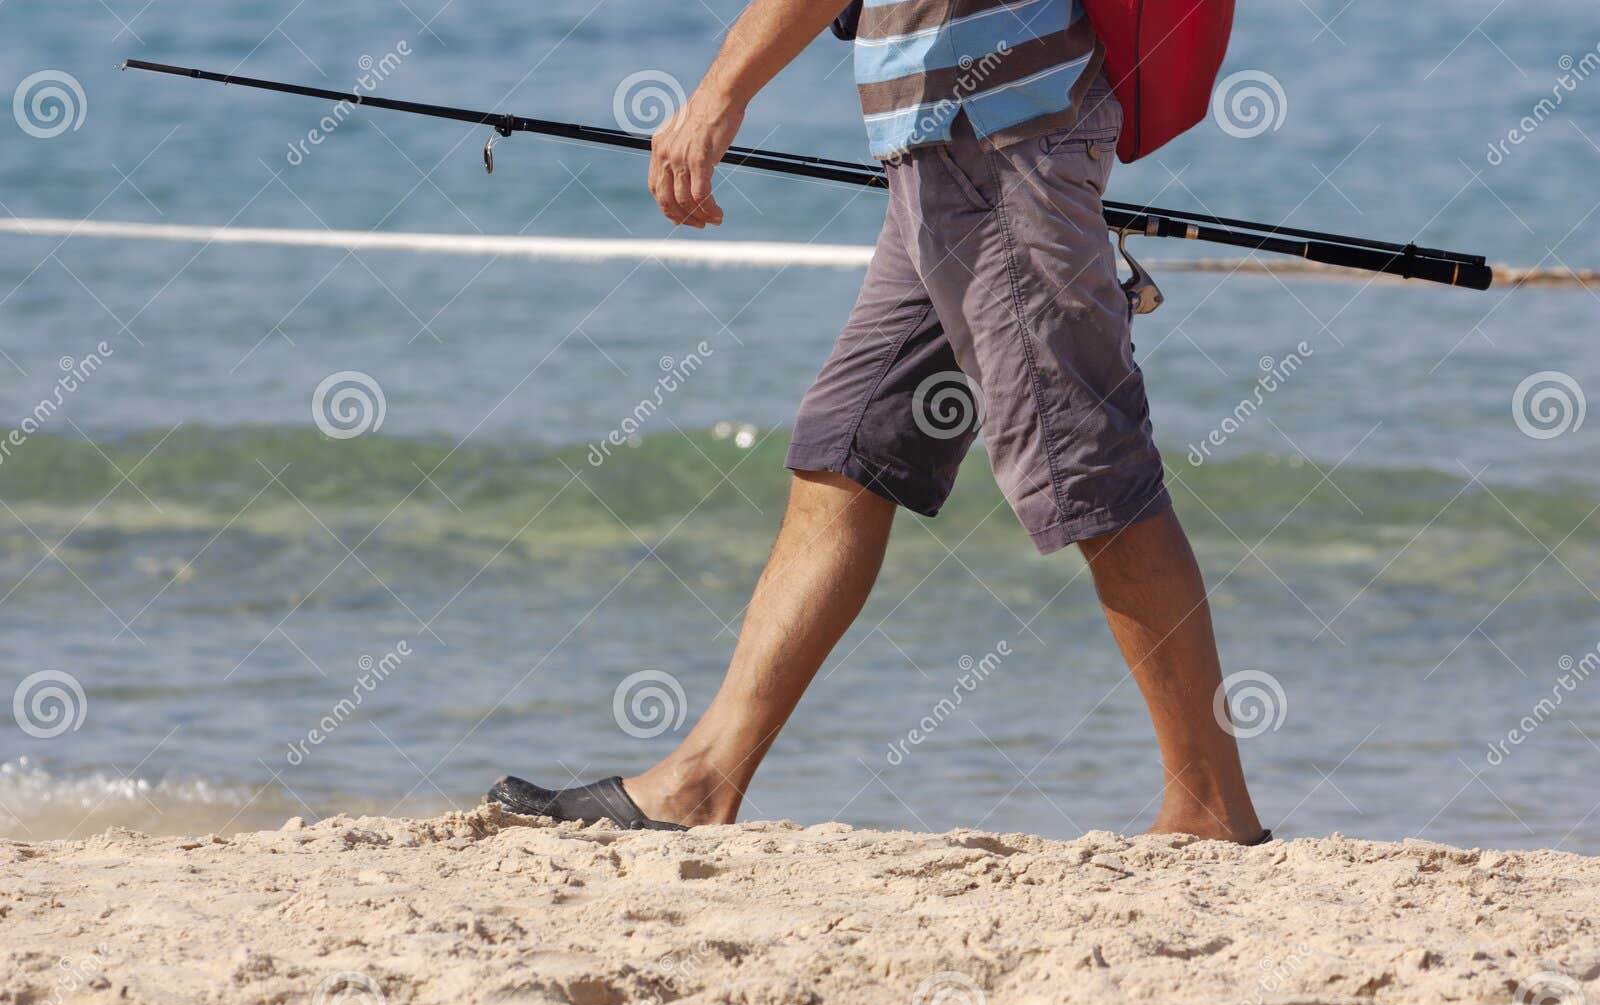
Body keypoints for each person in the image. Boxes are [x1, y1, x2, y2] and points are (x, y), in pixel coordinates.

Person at [489, 0, 1269, 844]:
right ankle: (699, 782)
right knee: (850, 448)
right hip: (945, 148)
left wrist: (720, 93)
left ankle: (1209, 809)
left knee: (1088, 464)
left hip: (1002, 142)